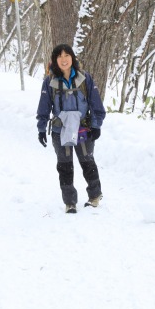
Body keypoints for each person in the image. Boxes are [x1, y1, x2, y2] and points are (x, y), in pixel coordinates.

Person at [37, 44, 106, 213]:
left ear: (72, 58)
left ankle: (95, 196)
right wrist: (41, 128)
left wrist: (96, 125)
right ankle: (70, 202)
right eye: (59, 56)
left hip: (83, 129)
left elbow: (96, 103)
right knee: (65, 166)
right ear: (55, 60)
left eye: (67, 55)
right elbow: (44, 106)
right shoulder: (49, 82)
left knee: (87, 162)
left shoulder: (85, 78)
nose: (63, 59)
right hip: (60, 130)